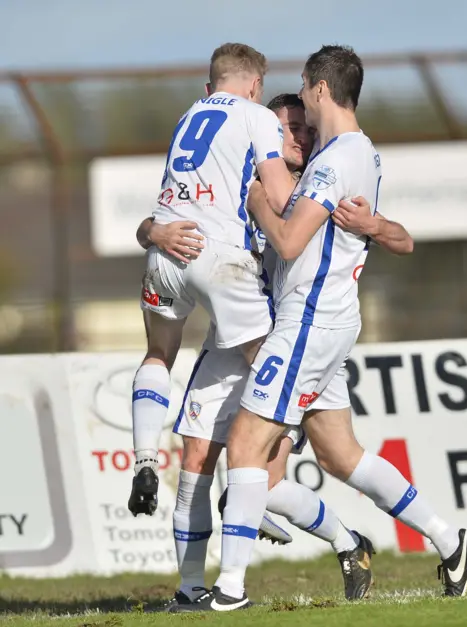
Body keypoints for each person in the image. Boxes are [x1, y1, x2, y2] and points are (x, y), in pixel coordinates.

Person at [203, 45, 467, 612]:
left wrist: (259, 201)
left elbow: (287, 239)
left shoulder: (335, 159)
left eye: (304, 91)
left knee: (245, 447)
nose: (300, 107)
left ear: (320, 89)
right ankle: (452, 541)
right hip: (325, 319)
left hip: (310, 320)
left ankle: (229, 590)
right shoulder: (353, 152)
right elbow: (373, 235)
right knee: (340, 456)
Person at [137, 93, 414, 608]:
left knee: (263, 477)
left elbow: (398, 237)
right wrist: (153, 229)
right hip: (232, 338)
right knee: (197, 458)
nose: (296, 137)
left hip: (286, 342)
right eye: (285, 128)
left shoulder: (317, 187)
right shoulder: (240, 174)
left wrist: (374, 225)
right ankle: (191, 591)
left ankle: (343, 541)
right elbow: (159, 218)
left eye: (301, 128)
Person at [129, 42, 295, 518]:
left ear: (211, 84)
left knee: (158, 353)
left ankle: (144, 460)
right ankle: (252, 486)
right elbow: (281, 198)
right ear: (255, 85)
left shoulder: (187, 115)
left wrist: (153, 233)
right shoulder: (256, 115)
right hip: (219, 255)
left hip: (165, 247)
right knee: (274, 365)